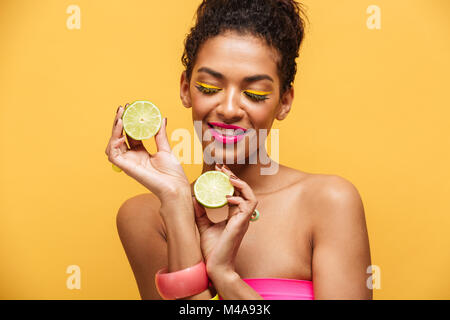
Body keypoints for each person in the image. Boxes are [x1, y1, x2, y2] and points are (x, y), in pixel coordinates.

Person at [105, 0, 372, 300]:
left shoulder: (329, 203)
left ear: (284, 101)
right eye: (208, 88)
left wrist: (226, 277)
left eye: (255, 93)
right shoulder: (146, 218)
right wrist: (177, 203)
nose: (229, 109)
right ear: (185, 88)